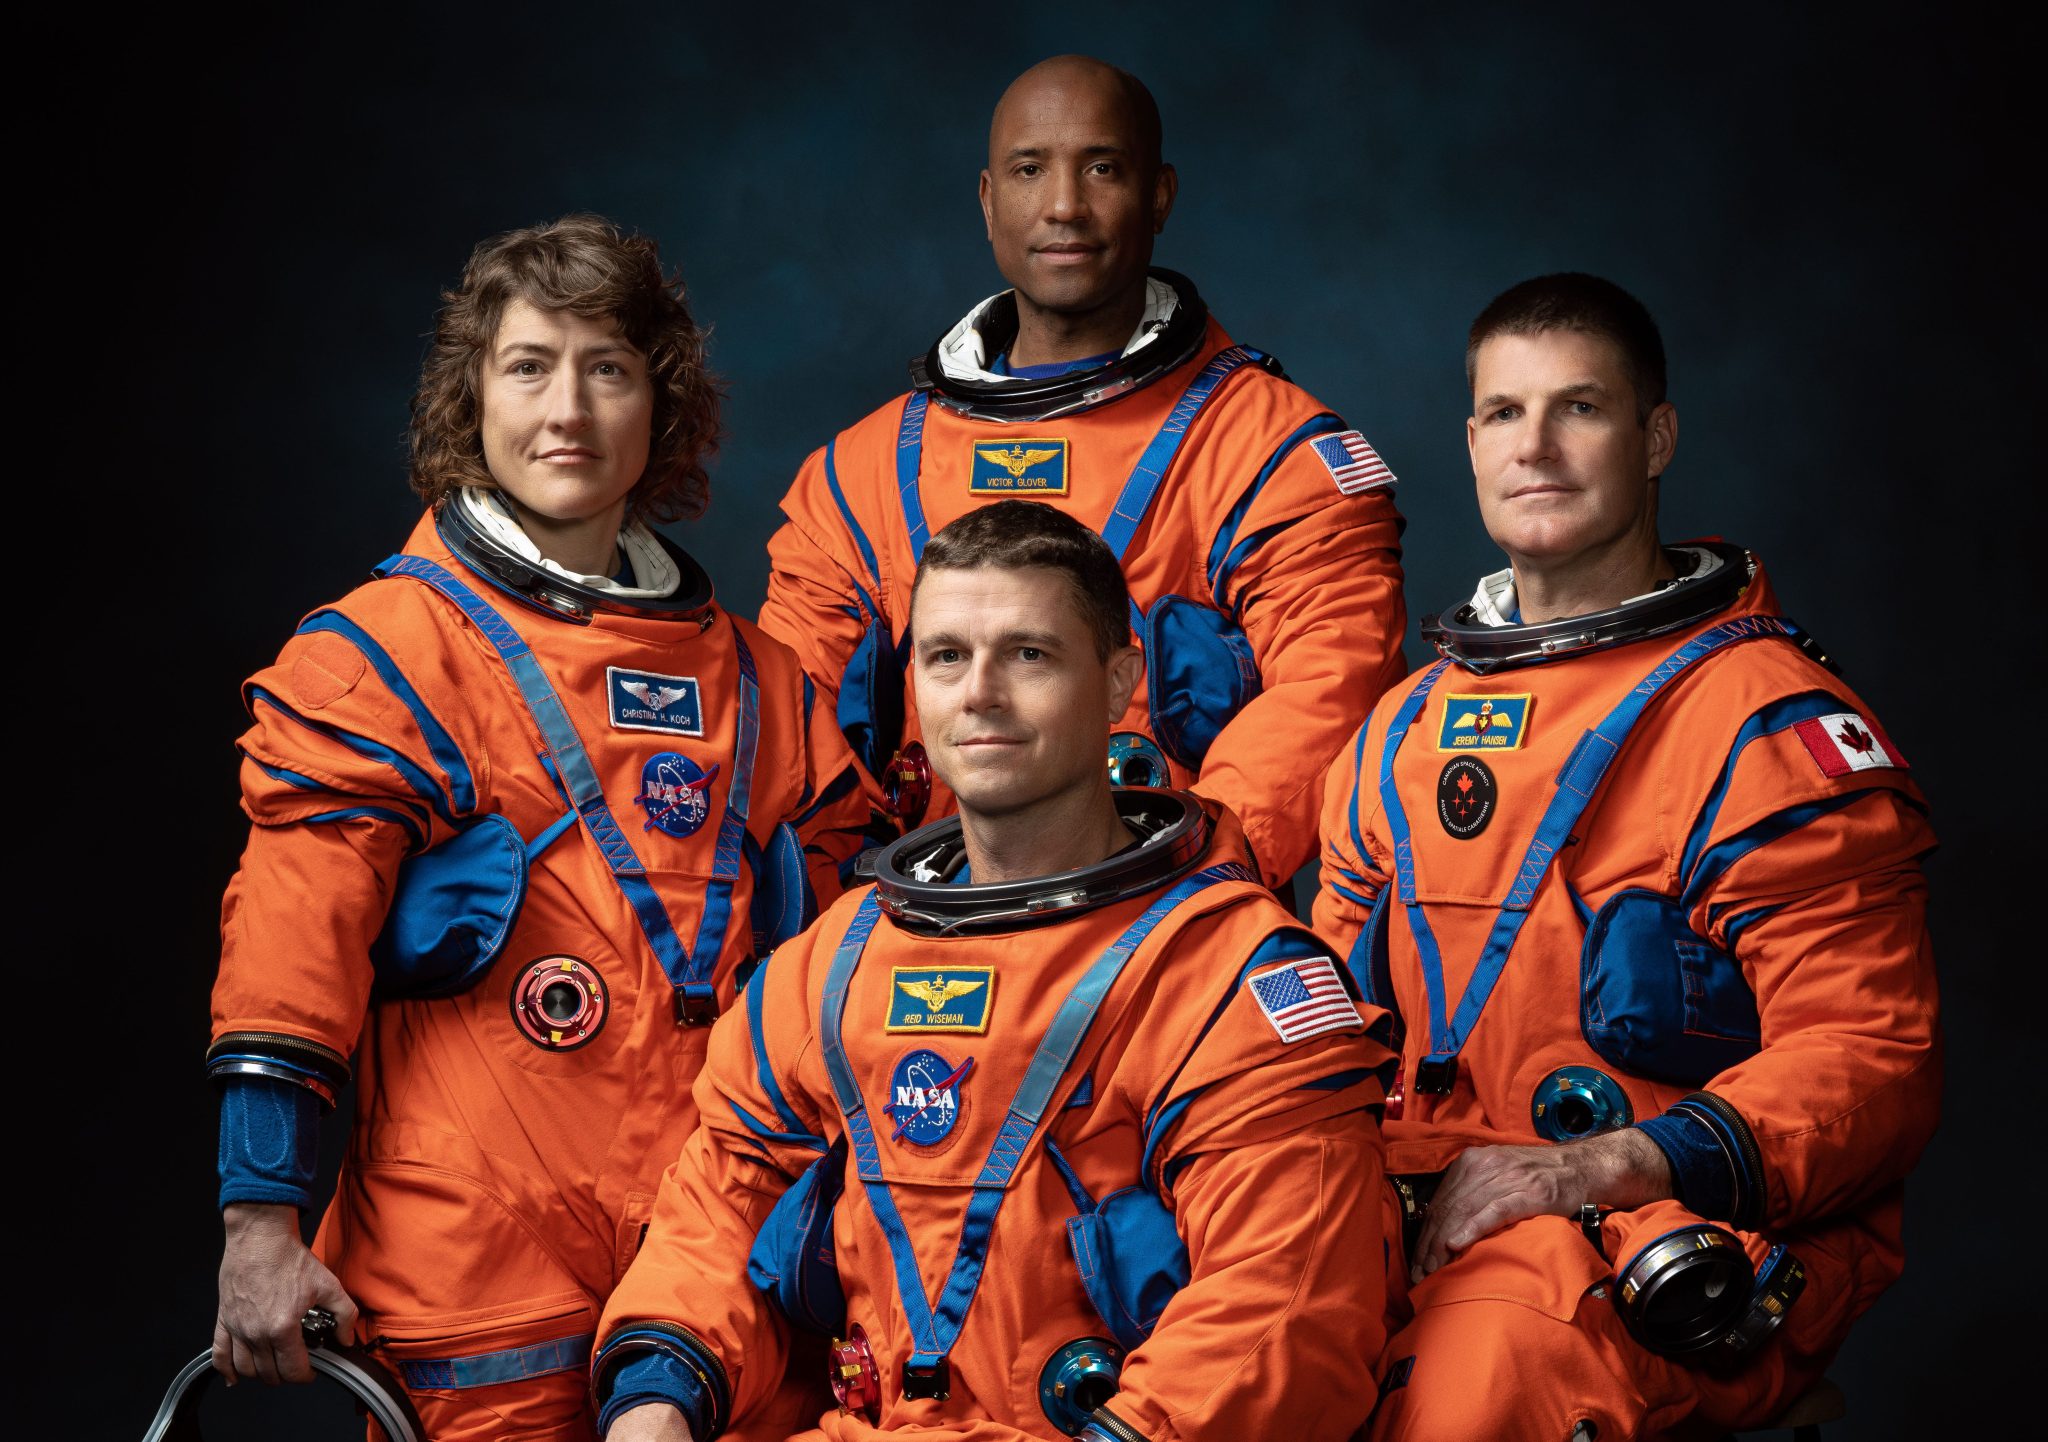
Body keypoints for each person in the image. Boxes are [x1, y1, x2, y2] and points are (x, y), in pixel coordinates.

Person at [206, 214, 867, 1441]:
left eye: (606, 367)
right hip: (472, 1253)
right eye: (529, 365)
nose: (567, 407)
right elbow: (289, 951)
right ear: (473, 397)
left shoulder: (767, 692)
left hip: (716, 1245)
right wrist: (261, 1224)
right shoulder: (384, 657)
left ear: (658, 405)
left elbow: (847, 992)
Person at [595, 500, 1394, 1441]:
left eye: (1028, 654)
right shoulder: (833, 963)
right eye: (945, 657)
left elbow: (1286, 1309)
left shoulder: (1228, 972)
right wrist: (653, 1403)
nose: (979, 693)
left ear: (1117, 682)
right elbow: (717, 1211)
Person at [1314, 273, 1940, 1439]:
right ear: (1468, 439)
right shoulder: (1397, 729)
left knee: (1472, 1385)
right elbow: (1322, 1029)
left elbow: (1871, 1056)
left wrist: (1598, 1166)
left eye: (1578, 408)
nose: (1534, 445)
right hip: (1420, 1200)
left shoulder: (1763, 725)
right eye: (1502, 412)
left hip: (1662, 1225)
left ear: (1653, 437)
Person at [758, 54, 1406, 890]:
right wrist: (849, 916)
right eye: (1031, 171)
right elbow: (786, 726)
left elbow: (1331, 691)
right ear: (990, 200)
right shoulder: (861, 474)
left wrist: (1178, 891)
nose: (1064, 206)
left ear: (1160, 196)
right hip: (912, 937)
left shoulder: (1269, 450)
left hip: (1161, 935)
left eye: (1102, 168)